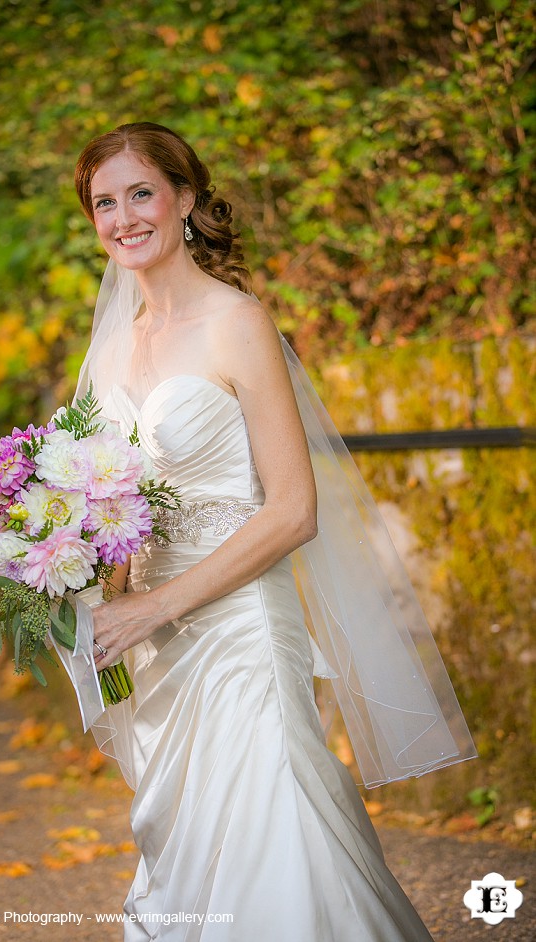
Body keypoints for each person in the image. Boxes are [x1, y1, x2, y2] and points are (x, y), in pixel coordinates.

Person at [67, 122, 477, 940]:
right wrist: (80, 577)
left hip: (243, 632)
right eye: (104, 203)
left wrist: (158, 605)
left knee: (276, 835)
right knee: (187, 847)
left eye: (140, 192)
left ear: (184, 199)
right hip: (154, 655)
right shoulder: (110, 350)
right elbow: (113, 509)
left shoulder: (237, 322)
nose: (124, 217)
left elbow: (293, 509)